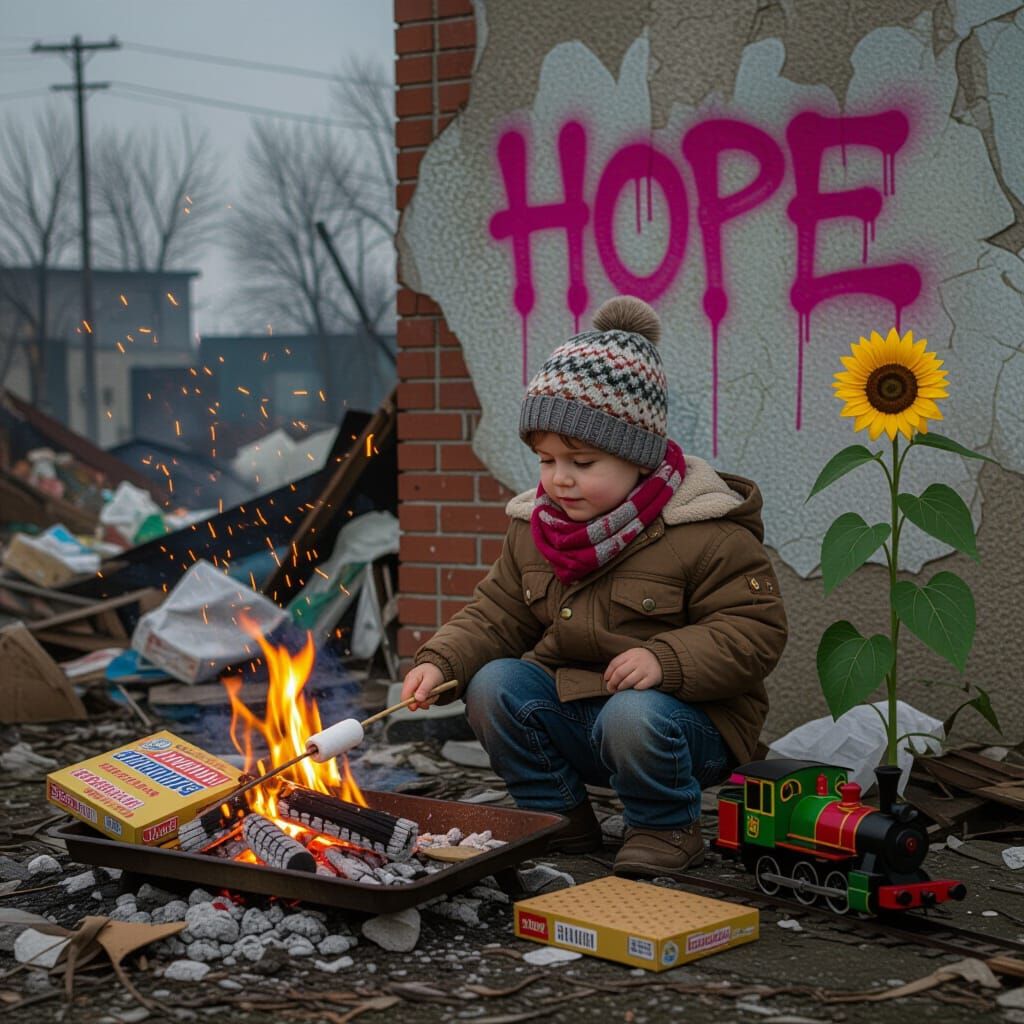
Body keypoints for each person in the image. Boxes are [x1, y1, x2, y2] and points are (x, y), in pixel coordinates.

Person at [400, 296, 788, 878]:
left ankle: (664, 828)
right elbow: (496, 614)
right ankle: (555, 816)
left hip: (684, 729)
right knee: (493, 682)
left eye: (581, 461)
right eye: (546, 459)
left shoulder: (706, 529)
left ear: (639, 458)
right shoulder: (537, 529)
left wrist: (666, 659)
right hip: (584, 713)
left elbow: (754, 631)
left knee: (631, 713)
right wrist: (442, 660)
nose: (559, 478)